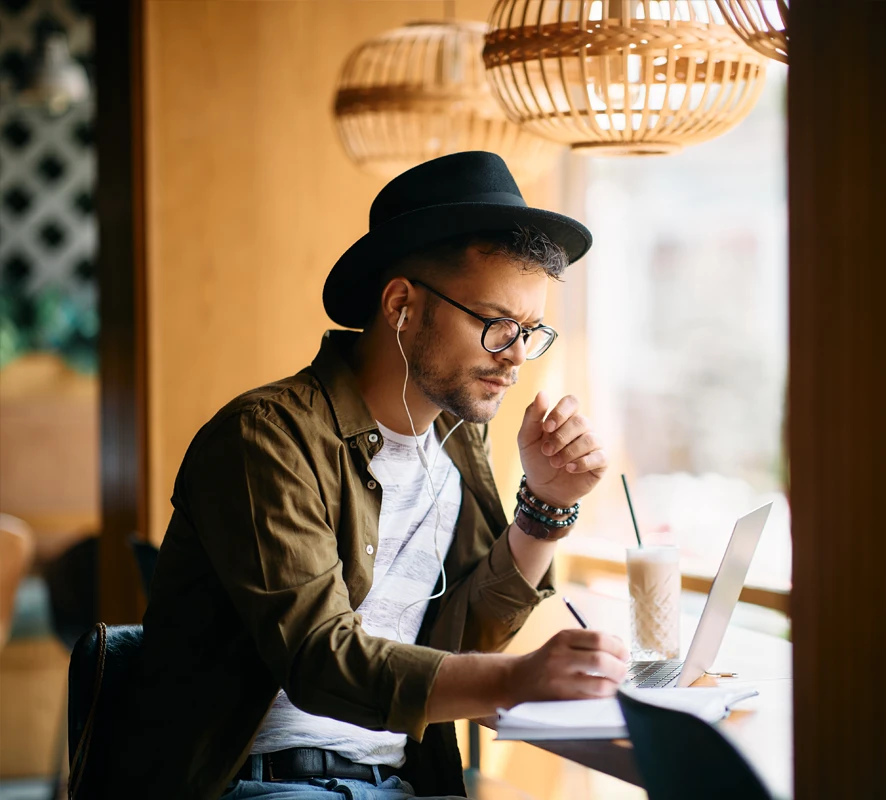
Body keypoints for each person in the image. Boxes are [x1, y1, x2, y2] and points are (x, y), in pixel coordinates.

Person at [112, 152, 629, 800]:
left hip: (400, 780)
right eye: (497, 325)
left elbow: (459, 641)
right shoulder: (265, 438)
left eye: (531, 331)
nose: (517, 358)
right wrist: (515, 678)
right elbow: (318, 659)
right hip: (258, 781)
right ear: (402, 305)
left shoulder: (455, 439)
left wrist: (545, 508)